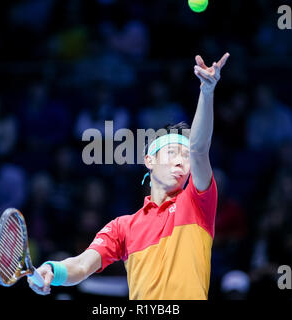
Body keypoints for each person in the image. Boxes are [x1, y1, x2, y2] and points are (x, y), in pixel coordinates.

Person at [28, 52, 230, 300]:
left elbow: (199, 149)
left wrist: (207, 92)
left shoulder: (198, 204)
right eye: (172, 153)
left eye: (185, 156)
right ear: (149, 161)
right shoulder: (123, 227)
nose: (181, 160)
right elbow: (81, 266)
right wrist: (51, 269)